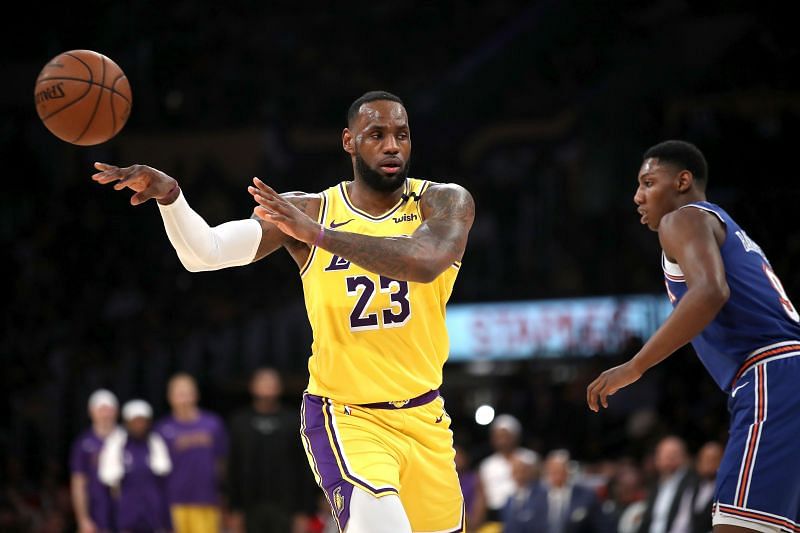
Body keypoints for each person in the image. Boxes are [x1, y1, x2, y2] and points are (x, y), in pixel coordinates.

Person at [90, 90, 475, 533]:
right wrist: (171, 197)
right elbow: (206, 253)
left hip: (426, 415)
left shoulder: (444, 202)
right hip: (348, 417)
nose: (392, 145)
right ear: (349, 142)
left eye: (402, 135)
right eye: (377, 135)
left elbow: (422, 264)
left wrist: (321, 237)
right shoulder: (310, 209)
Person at [586, 139, 800, 532]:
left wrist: (635, 366)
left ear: (682, 181)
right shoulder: (717, 224)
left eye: (648, 183)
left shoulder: (681, 218)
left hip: (774, 375)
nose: (637, 197)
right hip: (781, 373)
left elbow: (710, 292)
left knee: (738, 525)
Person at [227, 367, 315, 533]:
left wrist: (304, 511)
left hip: (287, 506)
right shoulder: (239, 422)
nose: (267, 386)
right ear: (252, 386)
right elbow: (233, 468)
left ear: (279, 387)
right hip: (249, 507)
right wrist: (234, 509)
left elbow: (304, 467)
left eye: (271, 383)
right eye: (262, 382)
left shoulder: (294, 421)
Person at [154, 373, 228, 533]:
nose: (184, 399)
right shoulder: (161, 429)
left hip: (207, 501)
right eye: (179, 394)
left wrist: (222, 496)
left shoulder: (213, 424)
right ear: (170, 397)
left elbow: (222, 463)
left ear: (196, 395)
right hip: (174, 502)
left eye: (187, 393)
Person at [99, 399, 172, 533]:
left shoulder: (156, 445)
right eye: (134, 421)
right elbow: (109, 481)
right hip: (127, 516)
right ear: (127, 423)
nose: (139, 425)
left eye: (142, 421)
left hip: (153, 516)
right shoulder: (117, 445)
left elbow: (164, 480)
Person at [69, 389, 119, 533]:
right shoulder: (83, 444)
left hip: (123, 514)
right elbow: (78, 483)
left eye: (109, 409)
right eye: (101, 409)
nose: (105, 414)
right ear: (91, 412)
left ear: (116, 411)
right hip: (96, 513)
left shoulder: (126, 440)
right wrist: (83, 519)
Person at [479, 414, 539, 525]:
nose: (502, 440)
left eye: (505, 435)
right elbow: (482, 496)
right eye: (498, 436)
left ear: (515, 436)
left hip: (524, 513)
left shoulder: (529, 458)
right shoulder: (487, 465)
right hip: (495, 516)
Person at [635, 436, 695, 533]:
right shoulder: (655, 485)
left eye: (672, 454)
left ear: (683, 456)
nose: (667, 459)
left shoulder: (691, 483)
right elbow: (647, 521)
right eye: (662, 455)